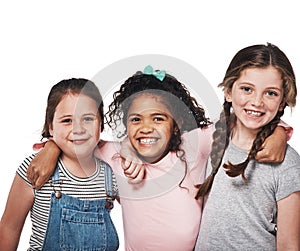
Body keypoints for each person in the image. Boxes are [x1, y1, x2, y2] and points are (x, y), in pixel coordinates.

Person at [26, 66, 289, 251]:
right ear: (125, 126)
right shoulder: (116, 156)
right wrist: (50, 148)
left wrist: (278, 131)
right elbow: (77, 139)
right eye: (136, 119)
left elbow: (243, 121)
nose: (146, 127)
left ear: (176, 125)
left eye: (158, 118)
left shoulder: (193, 146)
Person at [195, 43, 300, 250]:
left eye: (270, 93)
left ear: (282, 102)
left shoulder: (287, 164)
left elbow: (289, 244)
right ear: (228, 92)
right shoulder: (212, 138)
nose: (257, 102)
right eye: (246, 89)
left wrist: (279, 133)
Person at [0, 78, 119, 250]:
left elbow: (142, 219)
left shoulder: (111, 172)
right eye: (67, 121)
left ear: (101, 124)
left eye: (87, 119)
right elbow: (9, 228)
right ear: (51, 127)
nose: (78, 129)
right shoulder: (35, 169)